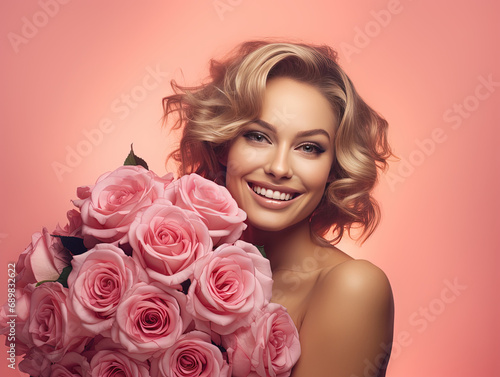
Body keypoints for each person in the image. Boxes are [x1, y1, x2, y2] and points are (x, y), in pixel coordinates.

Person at [162, 40, 395, 377]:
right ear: (224, 145)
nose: (280, 167)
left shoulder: (353, 287)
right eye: (259, 137)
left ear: (333, 167)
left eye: (309, 147)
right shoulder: (172, 267)